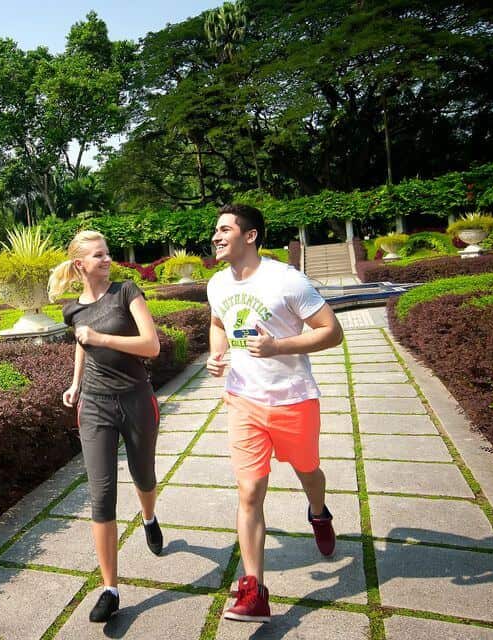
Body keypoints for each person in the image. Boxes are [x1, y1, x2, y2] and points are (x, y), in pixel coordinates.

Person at [205, 204, 344, 623]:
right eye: (215, 229)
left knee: (308, 473)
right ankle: (254, 589)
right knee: (249, 492)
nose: (216, 236)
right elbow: (218, 322)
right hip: (243, 399)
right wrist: (217, 353)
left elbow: (332, 332)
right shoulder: (216, 283)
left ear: (250, 236)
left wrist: (278, 346)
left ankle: (318, 513)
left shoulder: (287, 279)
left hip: (293, 399)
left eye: (224, 229)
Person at [48, 230, 164, 623]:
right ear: (81, 264)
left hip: (136, 399)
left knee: (143, 475)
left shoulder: (126, 291)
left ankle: (148, 517)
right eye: (99, 255)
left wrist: (102, 337)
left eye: (108, 253)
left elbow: (151, 346)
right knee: (101, 494)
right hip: (95, 406)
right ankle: (110, 588)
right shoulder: (72, 310)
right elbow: (83, 345)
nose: (107, 259)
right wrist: (76, 383)